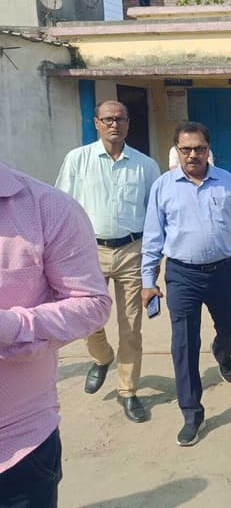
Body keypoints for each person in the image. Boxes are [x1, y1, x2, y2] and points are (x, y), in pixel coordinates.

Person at [141, 121, 231, 447]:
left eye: (199, 149)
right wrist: (148, 280)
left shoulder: (226, 181)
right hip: (182, 275)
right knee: (184, 344)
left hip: (223, 272)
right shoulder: (163, 187)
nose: (193, 155)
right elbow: (153, 236)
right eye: (186, 149)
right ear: (176, 151)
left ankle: (223, 353)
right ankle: (192, 413)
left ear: (209, 150)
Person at [0, 162, 111, 507]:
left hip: (18, 446)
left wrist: (13, 327)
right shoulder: (78, 160)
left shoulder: (46, 207)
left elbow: (92, 303)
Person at [55, 100, 160, 423]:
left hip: (132, 250)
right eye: (108, 119)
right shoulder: (78, 159)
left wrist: (153, 263)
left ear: (128, 123)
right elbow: (62, 205)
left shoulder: (145, 165)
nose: (114, 124)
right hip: (88, 251)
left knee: (131, 328)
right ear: (97, 123)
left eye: (120, 119)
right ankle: (102, 357)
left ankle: (128, 391)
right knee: (87, 318)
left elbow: (154, 215)